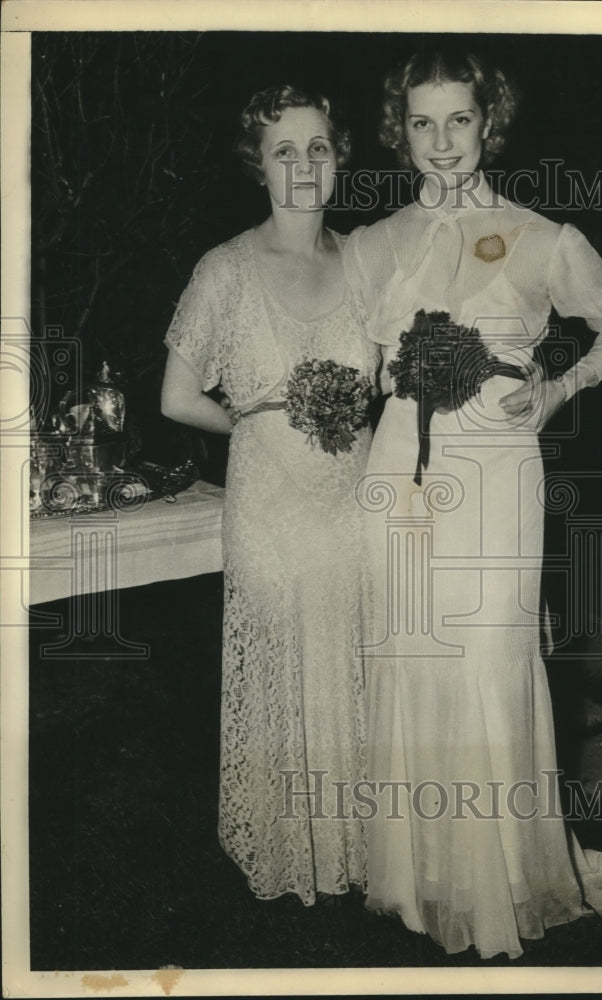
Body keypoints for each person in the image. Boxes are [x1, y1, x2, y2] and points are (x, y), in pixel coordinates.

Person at [343, 49, 602, 959]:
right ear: (400, 131)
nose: (442, 143)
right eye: (422, 123)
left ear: (490, 123)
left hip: (497, 460)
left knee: (486, 660)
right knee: (407, 657)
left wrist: (558, 390)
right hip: (397, 464)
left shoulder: (543, 237)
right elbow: (358, 377)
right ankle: (418, 874)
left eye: (460, 121)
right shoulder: (366, 245)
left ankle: (504, 874)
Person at [161, 85, 378, 904]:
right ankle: (290, 848)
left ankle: (359, 844)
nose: (302, 165)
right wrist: (255, 414)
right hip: (269, 504)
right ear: (256, 163)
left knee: (354, 655)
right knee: (286, 663)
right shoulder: (223, 270)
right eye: (283, 150)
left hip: (353, 497)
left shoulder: (364, 262)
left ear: (339, 158)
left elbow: (393, 378)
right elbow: (176, 397)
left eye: (317, 147)